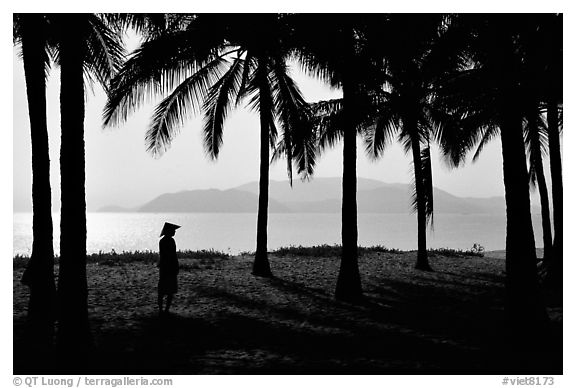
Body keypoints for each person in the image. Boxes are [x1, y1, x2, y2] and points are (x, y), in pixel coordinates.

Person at [157, 222, 180, 316]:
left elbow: (163, 255)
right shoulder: (171, 241)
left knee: (162, 290)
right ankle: (166, 309)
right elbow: (173, 255)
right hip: (170, 267)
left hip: (164, 267)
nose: (174, 232)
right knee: (170, 289)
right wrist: (176, 266)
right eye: (173, 230)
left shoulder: (162, 241)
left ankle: (161, 309)